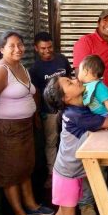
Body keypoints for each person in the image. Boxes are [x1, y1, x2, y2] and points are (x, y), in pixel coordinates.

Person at [0, 31, 54, 215]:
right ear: (1, 49)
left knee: (24, 168)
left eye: (20, 44)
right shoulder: (0, 70)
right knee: (10, 173)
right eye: (11, 45)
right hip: (7, 130)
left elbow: (32, 93)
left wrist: (35, 115)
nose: (18, 49)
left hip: (24, 127)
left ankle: (32, 205)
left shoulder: (20, 66)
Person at [43, 76, 108, 215]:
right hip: (68, 175)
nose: (75, 79)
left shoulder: (78, 109)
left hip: (66, 173)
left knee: (62, 213)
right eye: (69, 83)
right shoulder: (77, 115)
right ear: (66, 98)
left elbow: (107, 121)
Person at [73, 8, 108, 215]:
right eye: (106, 20)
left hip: (103, 105)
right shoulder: (86, 42)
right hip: (86, 108)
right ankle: (85, 204)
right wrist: (84, 109)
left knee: (102, 156)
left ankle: (100, 196)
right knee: (87, 155)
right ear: (98, 22)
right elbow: (80, 77)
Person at [29, 31, 72, 188]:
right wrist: (38, 114)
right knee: (51, 141)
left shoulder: (61, 59)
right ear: (36, 48)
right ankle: (52, 174)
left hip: (68, 107)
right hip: (49, 111)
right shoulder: (35, 69)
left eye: (49, 47)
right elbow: (36, 94)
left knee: (69, 138)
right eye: (43, 48)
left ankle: (70, 171)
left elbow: (70, 79)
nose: (47, 51)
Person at [78, 54, 108, 125]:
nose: (78, 73)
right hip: (94, 116)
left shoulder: (99, 87)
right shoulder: (85, 86)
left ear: (85, 71)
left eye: (79, 70)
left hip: (104, 116)